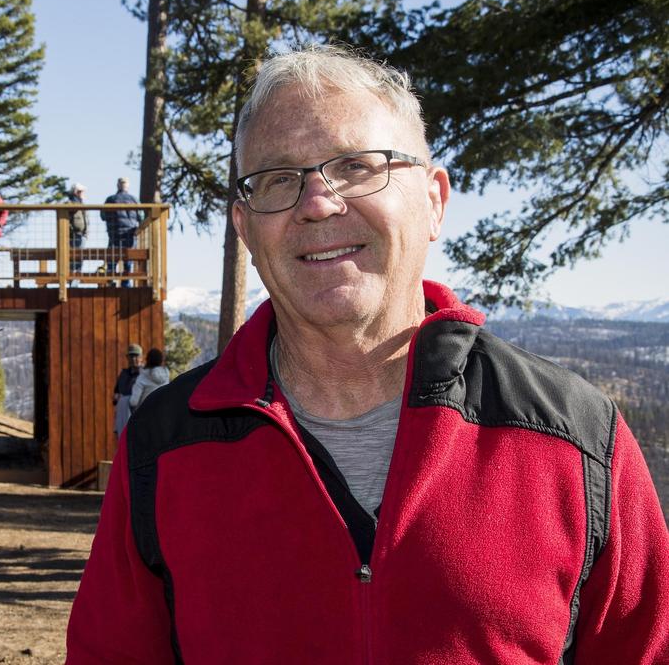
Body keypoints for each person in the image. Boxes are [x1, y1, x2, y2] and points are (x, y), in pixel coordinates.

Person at [67, 45, 669, 663]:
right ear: (245, 229)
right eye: (278, 179)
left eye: (357, 166)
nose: (318, 202)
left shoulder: (575, 439)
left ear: (434, 200)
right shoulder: (166, 447)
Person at [99, 177, 142, 287]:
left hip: (114, 234)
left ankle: (111, 281)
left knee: (112, 260)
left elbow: (103, 216)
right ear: (127, 186)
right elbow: (141, 217)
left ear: (118, 185)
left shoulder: (110, 200)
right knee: (128, 260)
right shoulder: (134, 200)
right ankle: (126, 284)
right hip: (130, 235)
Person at [111, 343, 142, 439]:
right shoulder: (123, 374)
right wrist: (117, 397)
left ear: (141, 357)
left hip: (139, 417)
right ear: (127, 358)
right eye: (131, 356)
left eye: (136, 356)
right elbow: (116, 393)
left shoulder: (145, 375)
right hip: (123, 416)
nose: (133, 359)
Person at [67, 182, 88, 277]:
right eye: (81, 191)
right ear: (76, 192)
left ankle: (75, 282)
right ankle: (73, 283)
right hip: (74, 235)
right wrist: (72, 230)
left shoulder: (81, 203)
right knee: (74, 259)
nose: (83, 193)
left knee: (79, 259)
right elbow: (65, 220)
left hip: (82, 235)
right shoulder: (70, 203)